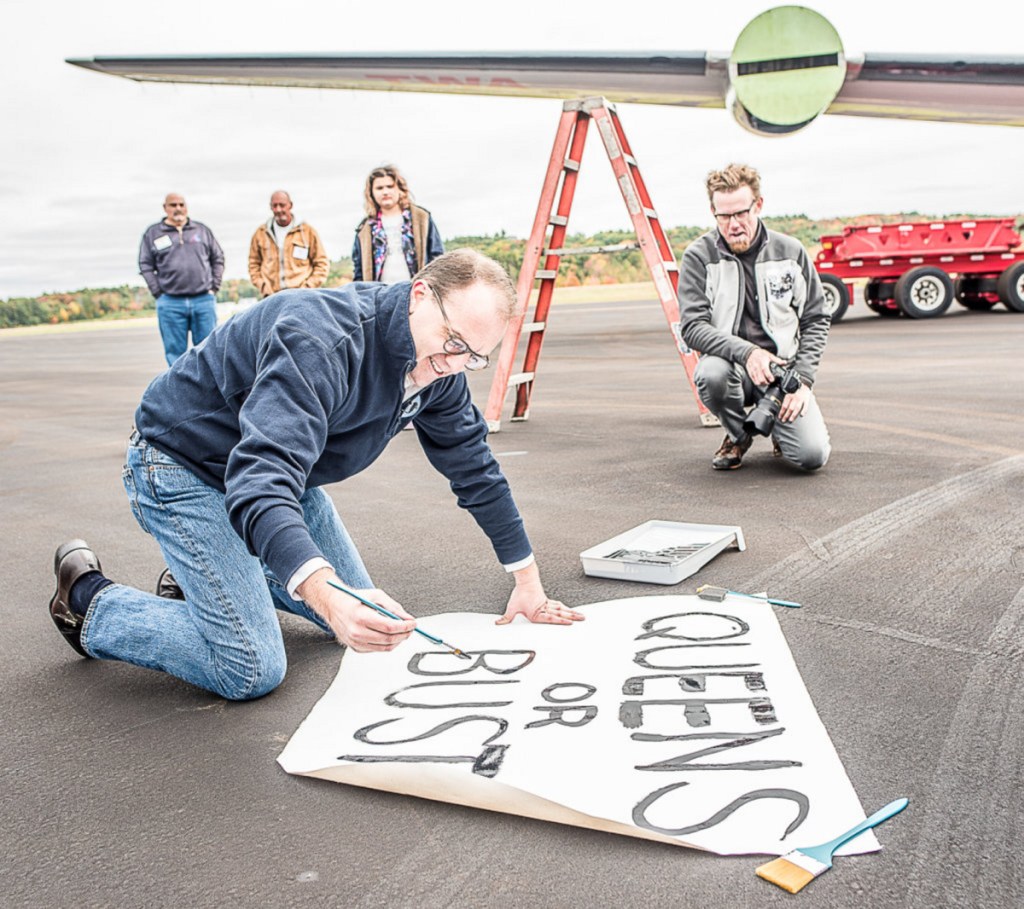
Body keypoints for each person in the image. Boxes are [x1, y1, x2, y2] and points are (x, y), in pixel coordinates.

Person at [47, 249, 583, 701]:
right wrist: (325, 592)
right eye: (452, 340)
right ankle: (89, 602)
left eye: (473, 357)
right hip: (182, 464)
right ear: (419, 295)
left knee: (362, 617)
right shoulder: (321, 339)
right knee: (250, 667)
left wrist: (528, 585)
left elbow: (476, 470)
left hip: (280, 477)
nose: (452, 362)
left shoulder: (438, 368)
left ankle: (208, 582)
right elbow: (262, 478)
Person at [678, 164, 832, 472]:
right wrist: (747, 353)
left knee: (811, 457)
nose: (733, 224)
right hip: (731, 366)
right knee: (710, 375)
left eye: (741, 213)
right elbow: (693, 327)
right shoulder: (698, 257)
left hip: (782, 371)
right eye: (724, 216)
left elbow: (816, 317)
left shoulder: (791, 251)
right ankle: (739, 436)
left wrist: (802, 380)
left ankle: (777, 424)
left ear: (758, 205)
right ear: (713, 211)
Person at [138, 193, 225, 366]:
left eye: (181, 204)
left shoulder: (201, 230)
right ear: (165, 208)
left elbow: (218, 258)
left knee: (209, 351)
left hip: (203, 300)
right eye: (173, 205)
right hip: (170, 303)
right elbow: (145, 264)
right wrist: (158, 292)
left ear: (186, 206)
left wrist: (213, 287)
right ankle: (181, 392)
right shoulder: (153, 233)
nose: (177, 208)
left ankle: (210, 391)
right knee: (175, 355)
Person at [352, 165, 444, 283]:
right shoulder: (364, 228)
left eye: (390, 186)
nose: (385, 192)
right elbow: (359, 271)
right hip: (379, 295)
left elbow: (437, 257)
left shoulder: (422, 218)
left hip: (417, 291)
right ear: (371, 193)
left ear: (399, 189)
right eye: (379, 188)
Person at [248, 190, 330, 298]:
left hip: (302, 296)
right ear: (270, 207)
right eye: (274, 206)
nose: (278, 209)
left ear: (290, 205)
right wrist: (263, 287)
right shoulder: (260, 233)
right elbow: (253, 264)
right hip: (272, 297)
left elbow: (322, 264)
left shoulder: (307, 232)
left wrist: (308, 287)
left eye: (282, 205)